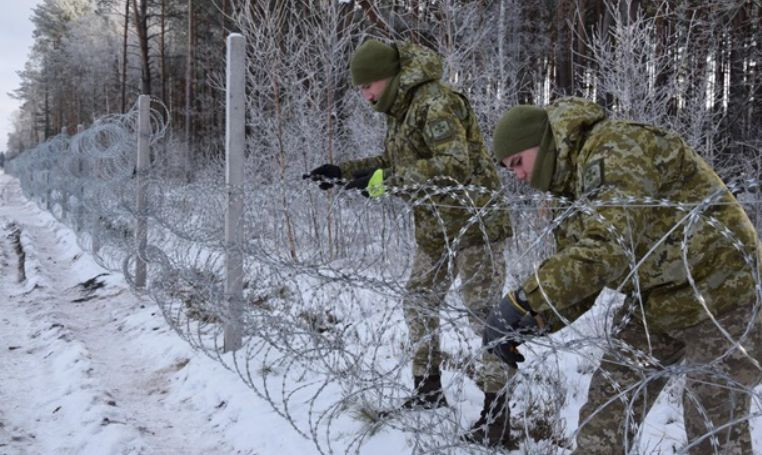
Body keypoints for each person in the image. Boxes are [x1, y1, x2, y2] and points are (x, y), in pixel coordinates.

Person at [484, 97, 762, 453]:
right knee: (606, 413)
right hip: (657, 302)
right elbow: (582, 279)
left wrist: (523, 299)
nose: (520, 177)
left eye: (519, 162)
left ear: (541, 141)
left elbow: (606, 250)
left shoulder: (615, 147)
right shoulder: (567, 189)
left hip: (724, 291)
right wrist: (533, 320)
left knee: (711, 425)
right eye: (511, 170)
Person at [305, 39, 515, 447]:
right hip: (436, 227)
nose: (365, 95)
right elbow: (393, 163)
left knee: (485, 317)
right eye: (360, 88)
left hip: (475, 224)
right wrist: (345, 173)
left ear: (391, 77)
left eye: (369, 85)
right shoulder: (399, 111)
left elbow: (456, 165)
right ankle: (427, 388)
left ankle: (497, 415)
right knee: (418, 300)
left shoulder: (435, 102)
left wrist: (386, 183)